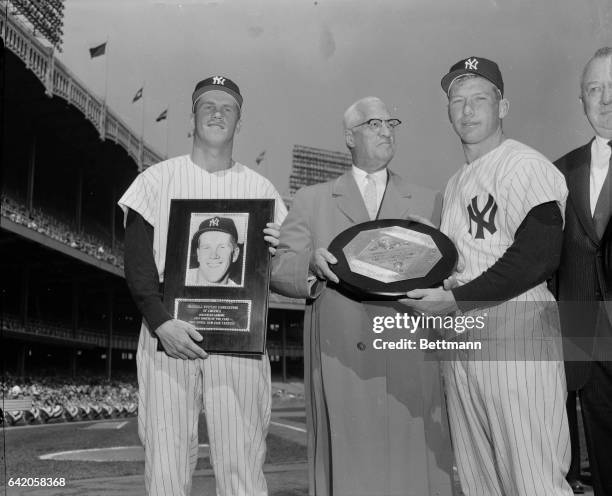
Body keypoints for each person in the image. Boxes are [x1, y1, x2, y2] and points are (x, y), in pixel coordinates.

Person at [400, 57, 573, 495]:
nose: (467, 110)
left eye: (480, 98)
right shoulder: (457, 183)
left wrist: (455, 301)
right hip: (466, 339)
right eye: (457, 101)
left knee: (534, 480)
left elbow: (537, 257)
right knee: (482, 483)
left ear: (503, 106)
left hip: (517, 335)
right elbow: (469, 260)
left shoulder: (525, 165)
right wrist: (430, 246)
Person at [271, 96, 453, 496]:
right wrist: (309, 266)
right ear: (349, 137)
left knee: (413, 471)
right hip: (343, 360)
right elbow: (279, 268)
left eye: (391, 123)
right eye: (373, 124)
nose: (386, 130)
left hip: (409, 355)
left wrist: (440, 256)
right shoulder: (311, 199)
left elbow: (455, 274)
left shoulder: (430, 200)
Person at [118, 75, 287, 496]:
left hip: (240, 339)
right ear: (192, 117)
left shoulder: (260, 189)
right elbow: (137, 263)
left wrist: (284, 250)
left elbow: (279, 271)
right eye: (207, 105)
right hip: (167, 333)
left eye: (227, 107)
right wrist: (159, 322)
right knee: (167, 463)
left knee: (242, 462)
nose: (217, 113)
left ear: (239, 121)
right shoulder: (155, 180)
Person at [554, 47, 612, 496]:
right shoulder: (559, 171)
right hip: (583, 338)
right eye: (594, 89)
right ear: (582, 101)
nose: (605, 99)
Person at [186, 216, 241, 286]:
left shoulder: (238, 294)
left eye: (222, 247)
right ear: (198, 254)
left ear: (235, 254)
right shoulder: (180, 280)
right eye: (206, 247)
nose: (213, 255)